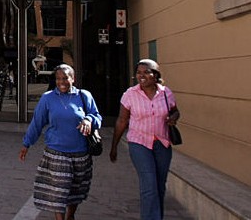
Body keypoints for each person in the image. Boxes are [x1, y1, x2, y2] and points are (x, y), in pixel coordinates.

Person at [19, 64, 102, 220]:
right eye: (58, 79)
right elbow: (37, 122)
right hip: (56, 152)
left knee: (75, 191)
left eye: (65, 78)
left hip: (80, 153)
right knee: (59, 191)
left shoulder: (84, 96)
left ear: (73, 78)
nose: (61, 82)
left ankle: (70, 216)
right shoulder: (47, 98)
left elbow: (97, 117)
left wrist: (89, 120)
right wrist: (26, 143)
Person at [109, 58, 181, 220]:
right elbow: (122, 120)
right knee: (149, 185)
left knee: (159, 186)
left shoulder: (166, 93)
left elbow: (176, 111)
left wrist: (173, 118)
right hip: (139, 143)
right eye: (138, 72)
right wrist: (114, 146)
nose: (141, 76)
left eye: (146, 72)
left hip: (162, 143)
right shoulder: (130, 94)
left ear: (155, 75)